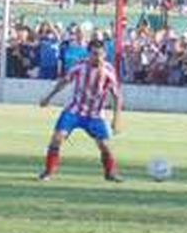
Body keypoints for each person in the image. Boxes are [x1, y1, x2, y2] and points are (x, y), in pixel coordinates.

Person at [37, 39, 124, 182]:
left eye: (101, 54)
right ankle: (48, 172)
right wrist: (48, 97)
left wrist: (116, 119)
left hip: (95, 115)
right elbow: (65, 81)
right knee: (57, 139)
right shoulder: (80, 66)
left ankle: (110, 173)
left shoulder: (109, 71)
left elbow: (117, 96)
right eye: (95, 54)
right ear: (88, 54)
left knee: (105, 146)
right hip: (74, 111)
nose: (98, 58)